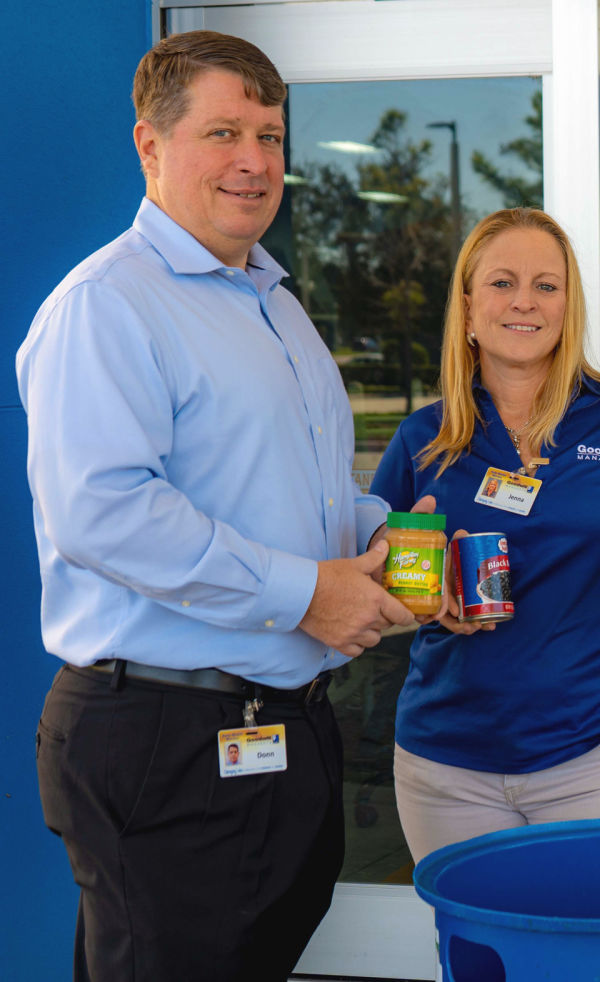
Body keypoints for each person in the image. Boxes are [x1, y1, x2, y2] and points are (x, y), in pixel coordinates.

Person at [16, 30, 424, 982]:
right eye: (225, 132)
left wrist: (385, 541)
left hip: (282, 727)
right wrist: (304, 595)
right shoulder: (108, 305)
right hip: (166, 735)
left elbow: (292, 493)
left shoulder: (273, 301)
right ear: (149, 147)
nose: (255, 160)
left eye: (273, 135)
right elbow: (105, 511)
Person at [370, 207, 600, 863]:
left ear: (568, 306)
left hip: (595, 751)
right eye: (502, 283)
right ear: (467, 307)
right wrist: (423, 589)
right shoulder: (424, 438)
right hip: (446, 762)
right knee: (480, 957)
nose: (524, 301)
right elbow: (376, 570)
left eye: (546, 285)